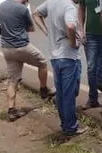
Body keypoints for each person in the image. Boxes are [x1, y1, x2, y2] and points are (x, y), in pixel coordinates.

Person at [33, 0, 85, 136]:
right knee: (69, 94)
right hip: (68, 56)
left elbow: (36, 14)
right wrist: (73, 43)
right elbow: (71, 26)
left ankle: (65, 124)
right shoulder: (69, 7)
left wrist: (47, 32)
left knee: (62, 93)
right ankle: (71, 127)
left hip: (55, 55)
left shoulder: (51, 2)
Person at [0, 0, 52, 121]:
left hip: (7, 48)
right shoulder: (22, 9)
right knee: (42, 62)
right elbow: (31, 28)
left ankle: (11, 109)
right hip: (21, 47)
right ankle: (43, 89)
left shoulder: (2, 5)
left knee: (13, 80)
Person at [79, 0, 102, 109]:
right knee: (91, 68)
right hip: (91, 35)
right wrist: (81, 30)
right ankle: (93, 98)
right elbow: (81, 9)